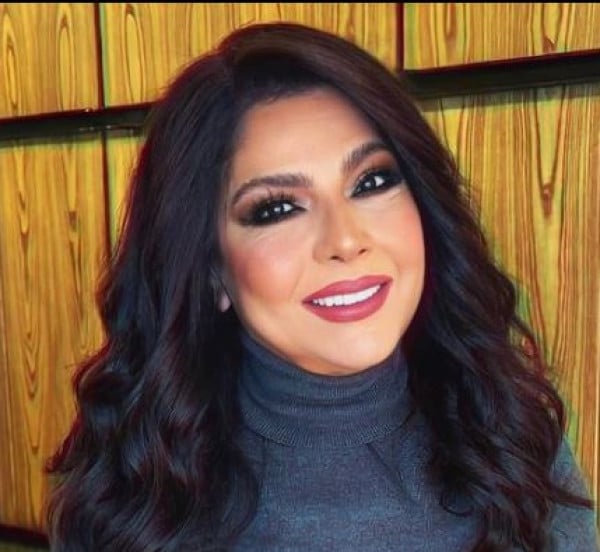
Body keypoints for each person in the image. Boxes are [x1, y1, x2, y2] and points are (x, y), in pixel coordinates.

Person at [47, 22, 598, 551]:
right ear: (212, 270)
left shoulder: (512, 434)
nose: (346, 240)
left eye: (372, 181)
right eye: (277, 209)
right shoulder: (137, 496)